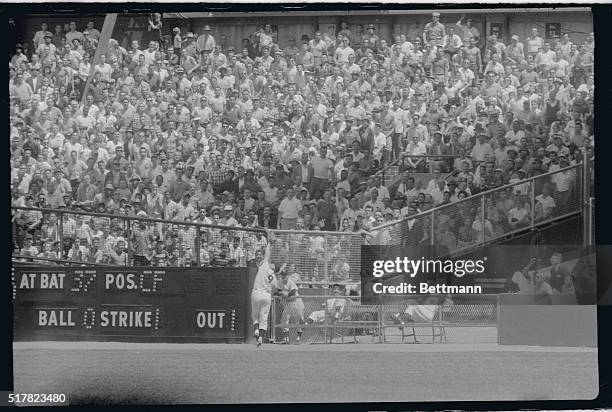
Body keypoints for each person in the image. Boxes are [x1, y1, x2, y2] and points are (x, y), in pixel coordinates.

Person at [251, 243, 276, 346]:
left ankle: (256, 330)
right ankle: (261, 337)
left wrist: (269, 243)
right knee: (264, 318)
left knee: (255, 316)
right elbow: (274, 286)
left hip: (256, 293)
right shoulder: (271, 273)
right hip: (266, 295)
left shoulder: (263, 266)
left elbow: (266, 255)